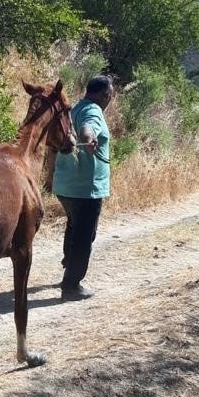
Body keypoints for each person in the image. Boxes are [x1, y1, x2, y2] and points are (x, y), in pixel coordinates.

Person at [52, 74, 113, 300]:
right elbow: (89, 128)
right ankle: (72, 285)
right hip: (86, 188)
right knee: (85, 234)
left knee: (73, 226)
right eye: (109, 96)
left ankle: (69, 264)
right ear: (104, 95)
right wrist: (89, 139)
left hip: (65, 186)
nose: (109, 101)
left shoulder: (74, 108)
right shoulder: (93, 110)